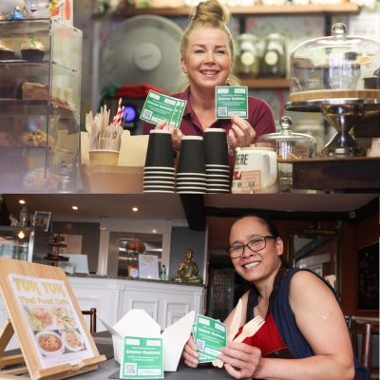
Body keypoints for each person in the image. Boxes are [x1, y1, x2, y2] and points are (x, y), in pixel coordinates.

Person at [182, 214, 369, 380]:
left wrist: (262, 367)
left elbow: (343, 369)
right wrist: (198, 351)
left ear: (278, 246)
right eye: (237, 247)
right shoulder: (250, 298)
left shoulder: (301, 284)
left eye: (256, 241)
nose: (246, 253)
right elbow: (219, 346)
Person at [143, 0, 276, 168]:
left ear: (231, 61)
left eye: (220, 51)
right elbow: (150, 186)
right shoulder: (162, 116)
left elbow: (268, 187)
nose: (210, 60)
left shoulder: (258, 112)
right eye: (199, 51)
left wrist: (246, 153)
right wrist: (171, 154)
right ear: (184, 63)